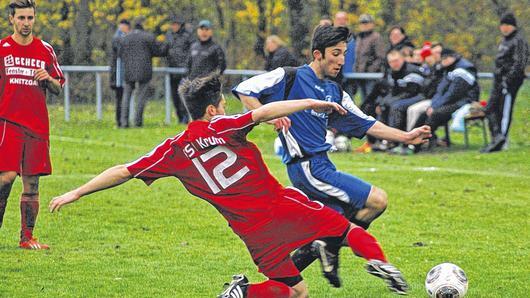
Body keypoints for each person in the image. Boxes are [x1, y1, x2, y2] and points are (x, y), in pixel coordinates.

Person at [49, 73, 409, 297]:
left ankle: (242, 293)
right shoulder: (222, 126)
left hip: (250, 232)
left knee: (295, 291)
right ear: (211, 110)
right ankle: (382, 262)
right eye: (221, 104)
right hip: (281, 206)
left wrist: (76, 191)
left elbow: (124, 170)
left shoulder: (173, 150)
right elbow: (264, 112)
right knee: (346, 230)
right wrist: (313, 102)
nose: (224, 108)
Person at [232, 25, 431, 287]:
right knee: (376, 201)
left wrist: (405, 136)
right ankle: (347, 253)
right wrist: (270, 116)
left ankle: (268, 283)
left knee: (334, 225)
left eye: (344, 53)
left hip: (323, 165)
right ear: (318, 54)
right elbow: (245, 89)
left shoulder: (334, 91)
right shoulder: (289, 77)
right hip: (308, 168)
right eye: (335, 53)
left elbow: (366, 122)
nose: (341, 59)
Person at [0, 0, 65, 250]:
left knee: (32, 183)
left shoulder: (45, 50)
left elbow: (58, 88)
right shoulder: (3, 48)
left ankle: (27, 238)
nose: (26, 23)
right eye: (21, 18)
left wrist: (48, 78)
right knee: (5, 177)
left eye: (30, 18)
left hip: (36, 125)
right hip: (8, 122)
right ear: (11, 20)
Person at [413, 48, 479, 150]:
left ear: (450, 58)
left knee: (435, 114)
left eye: (443, 60)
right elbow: (440, 90)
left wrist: (436, 107)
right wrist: (433, 105)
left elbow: (454, 93)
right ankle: (412, 141)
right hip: (452, 101)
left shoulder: (463, 69)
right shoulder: (449, 69)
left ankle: (418, 144)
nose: (441, 63)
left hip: (465, 101)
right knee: (425, 113)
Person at [481, 12, 529, 153]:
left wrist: (508, 79)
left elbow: (519, 63)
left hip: (509, 82)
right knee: (490, 108)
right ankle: (496, 137)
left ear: (513, 26)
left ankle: (502, 139)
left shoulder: (518, 41)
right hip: (498, 80)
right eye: (502, 25)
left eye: (507, 25)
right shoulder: (504, 41)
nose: (504, 28)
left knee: (504, 110)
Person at [375, 49, 426, 154]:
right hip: (403, 97)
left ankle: (394, 140)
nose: (394, 64)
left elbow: (412, 92)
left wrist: (391, 101)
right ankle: (383, 139)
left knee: (396, 106)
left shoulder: (412, 71)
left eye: (396, 60)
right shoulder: (392, 72)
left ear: (402, 59)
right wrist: (383, 102)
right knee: (382, 106)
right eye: (391, 62)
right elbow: (392, 91)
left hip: (420, 96)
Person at [118, 18, 165, 128]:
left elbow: (120, 54)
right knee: (140, 97)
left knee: (126, 96)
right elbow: (157, 52)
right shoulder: (148, 37)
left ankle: (124, 122)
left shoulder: (125, 38)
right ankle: (137, 122)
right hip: (144, 71)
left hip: (128, 71)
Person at [165, 15, 194, 124]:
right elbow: (166, 49)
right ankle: (179, 117)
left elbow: (192, 52)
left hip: (184, 71)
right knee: (175, 97)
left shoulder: (188, 36)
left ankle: (185, 118)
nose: (174, 27)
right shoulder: (169, 36)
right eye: (172, 25)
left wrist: (187, 66)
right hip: (172, 70)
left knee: (183, 95)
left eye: (176, 25)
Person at [355, 14, 386, 103]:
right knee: (363, 100)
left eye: (366, 22)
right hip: (359, 76)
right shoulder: (359, 37)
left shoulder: (376, 37)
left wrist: (371, 70)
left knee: (371, 100)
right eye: (362, 23)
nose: (364, 25)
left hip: (372, 76)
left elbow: (381, 57)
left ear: (372, 24)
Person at [110, 19, 130, 127]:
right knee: (120, 98)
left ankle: (121, 120)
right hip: (119, 75)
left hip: (121, 74)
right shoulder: (118, 38)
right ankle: (120, 121)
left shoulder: (119, 37)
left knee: (122, 98)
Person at [334, 11, 357, 98]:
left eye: (344, 19)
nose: (341, 21)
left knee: (349, 102)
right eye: (339, 19)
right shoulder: (329, 37)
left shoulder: (354, 37)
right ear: (335, 21)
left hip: (350, 77)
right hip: (333, 77)